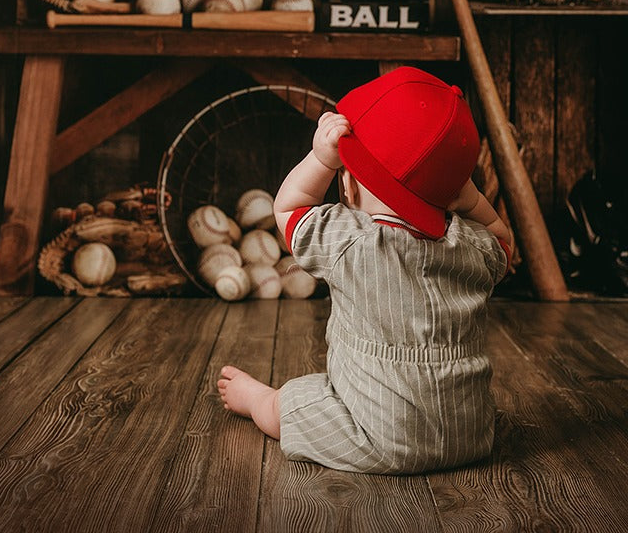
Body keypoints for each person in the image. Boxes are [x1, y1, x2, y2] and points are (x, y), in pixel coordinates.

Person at [218, 66, 512, 474]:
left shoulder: (349, 241)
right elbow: (503, 240)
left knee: (294, 402)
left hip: (376, 435)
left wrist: (320, 159)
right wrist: (472, 199)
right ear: (455, 191)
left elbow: (287, 209)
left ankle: (257, 401)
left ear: (350, 186)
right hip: (472, 433)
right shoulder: (473, 246)